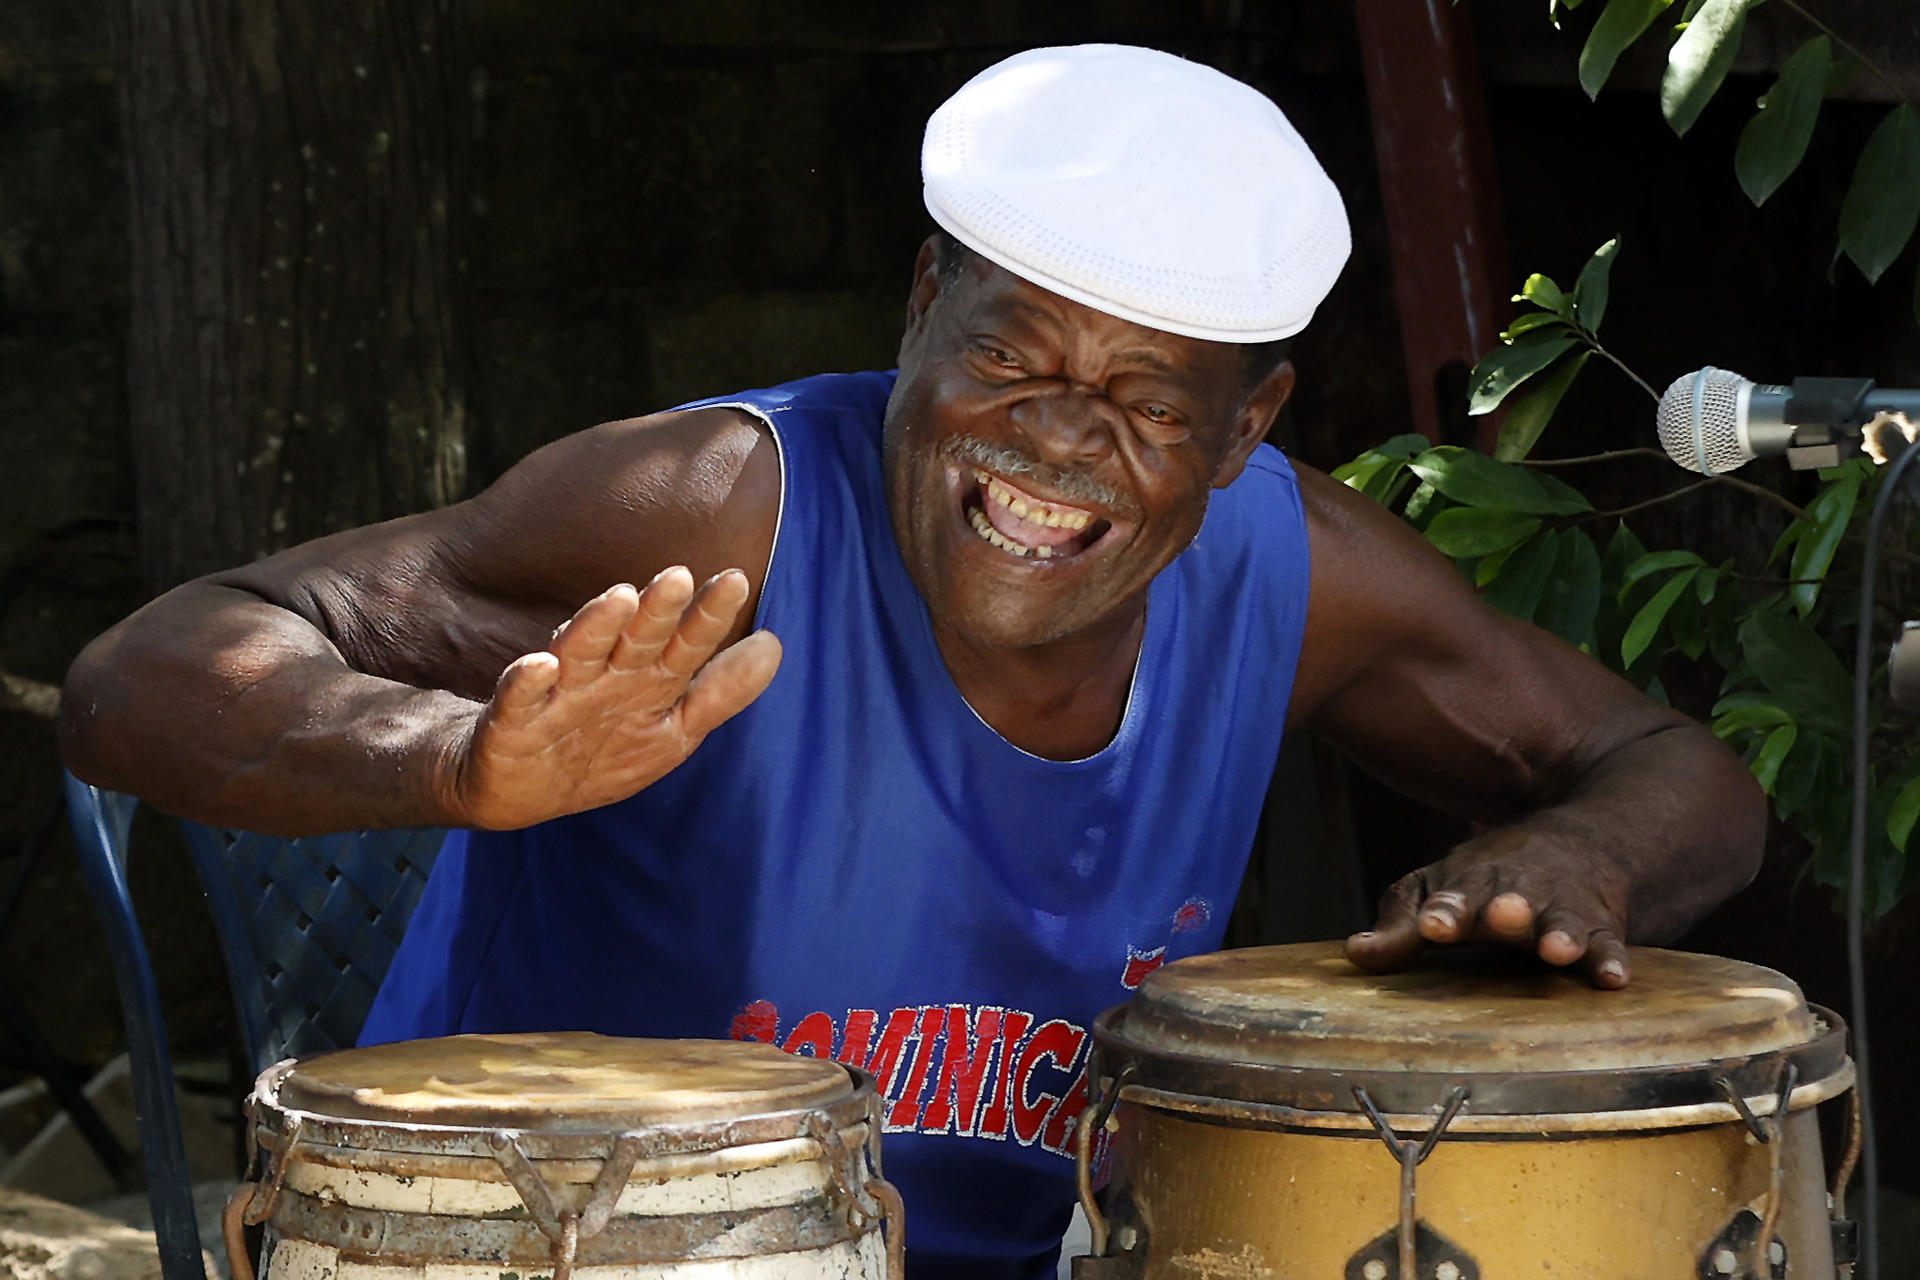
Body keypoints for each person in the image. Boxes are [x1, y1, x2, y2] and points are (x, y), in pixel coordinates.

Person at [60, 45, 1763, 1279]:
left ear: (1248, 427)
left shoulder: (1290, 574)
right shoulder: (722, 509)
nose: (1060, 446)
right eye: (1011, 356)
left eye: (1152, 403)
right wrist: (449, 760)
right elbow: (146, 673)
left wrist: (1570, 855)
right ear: (921, 304)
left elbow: (1674, 767)